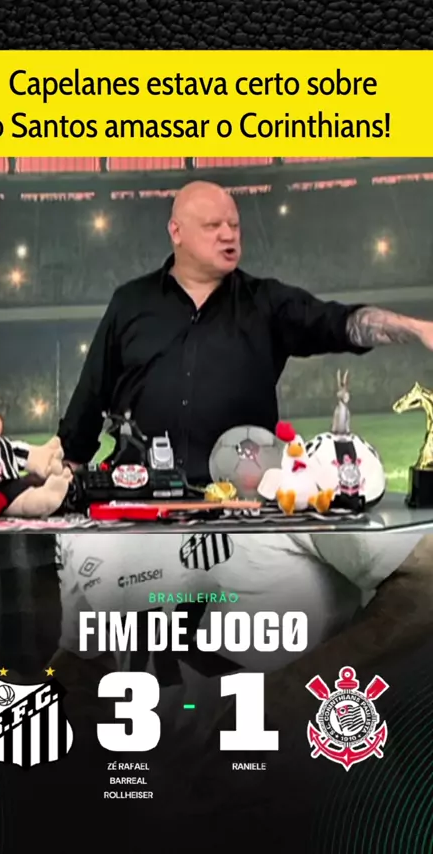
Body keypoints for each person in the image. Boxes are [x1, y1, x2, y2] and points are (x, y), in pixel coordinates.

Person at [58, 180, 433, 484]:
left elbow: (343, 323)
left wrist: (416, 328)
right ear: (176, 231)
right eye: (213, 226)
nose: (228, 235)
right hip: (139, 501)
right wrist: (64, 476)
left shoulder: (267, 302)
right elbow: (90, 398)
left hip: (244, 506)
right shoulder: (131, 302)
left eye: (234, 225)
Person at [51, 528, 433, 743]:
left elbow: (424, 583)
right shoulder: (80, 528)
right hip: (173, 803)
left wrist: (289, 692)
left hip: (317, 803)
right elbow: (86, 659)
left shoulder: (300, 484)